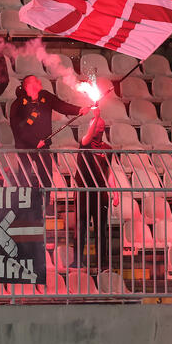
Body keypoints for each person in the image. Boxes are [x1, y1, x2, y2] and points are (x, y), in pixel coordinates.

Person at [8, 75, 90, 185]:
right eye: (36, 80)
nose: (39, 81)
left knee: (46, 178)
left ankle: (45, 200)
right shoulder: (17, 105)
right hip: (24, 148)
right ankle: (24, 200)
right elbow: (17, 128)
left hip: (43, 146)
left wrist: (79, 110)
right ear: (28, 86)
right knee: (25, 178)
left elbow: (61, 106)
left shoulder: (46, 96)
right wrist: (35, 141)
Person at [74, 111, 117, 271]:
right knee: (81, 228)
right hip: (84, 193)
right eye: (97, 124)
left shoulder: (107, 148)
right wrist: (96, 116)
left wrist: (115, 192)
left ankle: (101, 263)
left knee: (101, 229)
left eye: (101, 125)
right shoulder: (85, 143)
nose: (100, 127)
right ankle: (77, 261)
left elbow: (109, 171)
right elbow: (86, 138)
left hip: (101, 194)